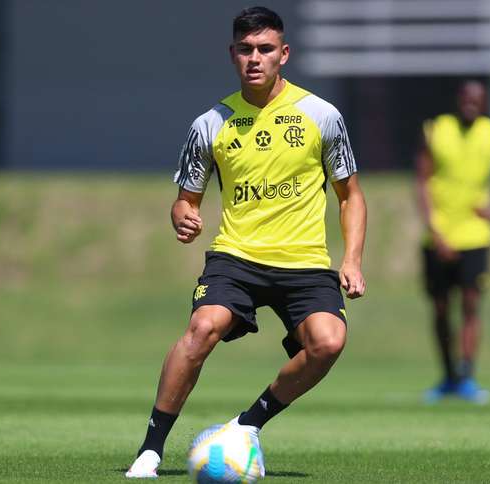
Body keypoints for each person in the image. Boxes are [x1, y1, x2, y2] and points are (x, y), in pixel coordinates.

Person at [126, 6, 366, 478]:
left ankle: (246, 425)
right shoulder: (209, 124)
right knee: (201, 330)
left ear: (284, 54)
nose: (254, 58)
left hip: (305, 262)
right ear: (232, 55)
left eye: (265, 49)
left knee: (329, 342)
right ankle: (151, 450)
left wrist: (352, 258)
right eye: (245, 50)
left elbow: (351, 197)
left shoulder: (321, 115)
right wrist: (184, 216)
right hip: (236, 257)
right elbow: (185, 200)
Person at [415, 80, 490, 404]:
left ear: (486, 103)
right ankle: (447, 376)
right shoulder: (436, 130)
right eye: (466, 98)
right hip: (437, 237)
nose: (470, 104)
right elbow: (421, 181)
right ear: (458, 100)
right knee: (439, 309)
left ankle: (466, 376)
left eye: (477, 100)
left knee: (470, 305)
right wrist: (434, 229)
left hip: (475, 237)